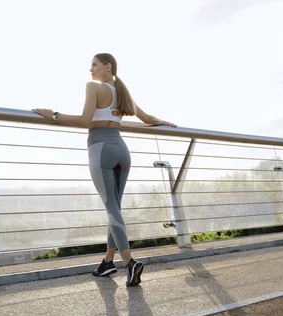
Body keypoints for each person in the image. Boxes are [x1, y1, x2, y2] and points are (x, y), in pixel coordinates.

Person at [33, 53, 176, 287]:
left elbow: (84, 120)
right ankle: (108, 262)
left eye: (94, 65)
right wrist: (165, 122)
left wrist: (53, 114)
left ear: (107, 66)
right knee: (115, 208)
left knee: (112, 208)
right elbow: (147, 117)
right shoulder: (122, 93)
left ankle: (130, 263)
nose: (90, 70)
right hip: (121, 149)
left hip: (100, 149)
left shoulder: (93, 87)